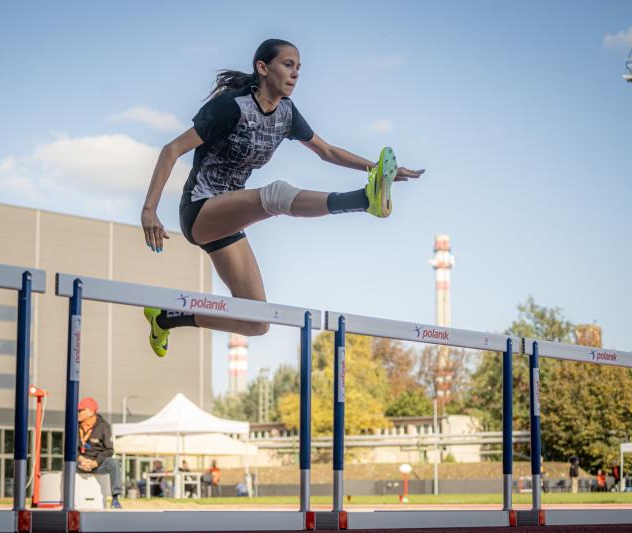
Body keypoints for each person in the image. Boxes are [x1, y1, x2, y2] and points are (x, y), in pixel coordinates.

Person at [141, 38, 425, 357]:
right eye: (288, 65)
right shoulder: (232, 106)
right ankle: (362, 200)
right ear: (263, 68)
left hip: (229, 219)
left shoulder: (287, 114)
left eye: (299, 68)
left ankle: (166, 318)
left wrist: (379, 170)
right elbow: (172, 150)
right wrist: (149, 210)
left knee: (256, 322)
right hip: (200, 209)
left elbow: (327, 151)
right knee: (274, 195)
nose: (295, 74)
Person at [77, 397, 122, 509]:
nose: (78, 413)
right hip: (79, 462)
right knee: (67, 464)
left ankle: (115, 499)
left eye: (80, 410)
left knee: (114, 463)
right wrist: (81, 459)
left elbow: (109, 450)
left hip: (97, 464)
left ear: (90, 412)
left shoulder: (104, 426)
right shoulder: (74, 425)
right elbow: (68, 449)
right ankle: (66, 499)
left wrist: (95, 463)